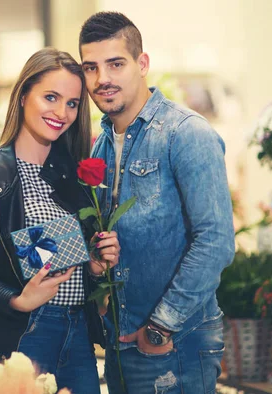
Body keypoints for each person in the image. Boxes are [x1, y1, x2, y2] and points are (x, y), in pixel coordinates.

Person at [78, 11, 235, 394]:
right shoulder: (99, 148)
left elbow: (215, 241)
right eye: (91, 68)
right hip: (121, 342)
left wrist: (161, 326)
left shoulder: (185, 133)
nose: (103, 80)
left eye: (116, 63)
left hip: (174, 343)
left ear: (142, 64)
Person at [0, 47, 120, 394]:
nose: (62, 112)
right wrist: (16, 300)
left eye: (73, 103)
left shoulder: (76, 180)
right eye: (51, 97)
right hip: (21, 335)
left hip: (77, 334)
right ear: (23, 95)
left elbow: (67, 268)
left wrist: (93, 266)